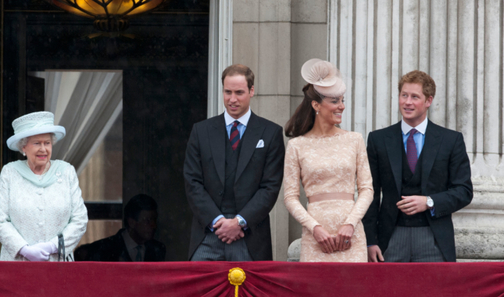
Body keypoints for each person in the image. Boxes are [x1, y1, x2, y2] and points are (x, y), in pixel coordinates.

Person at [362, 71, 472, 262]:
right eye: (404, 95)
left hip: (434, 238)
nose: (407, 102)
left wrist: (429, 202)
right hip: (390, 238)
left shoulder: (450, 140)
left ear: (428, 101)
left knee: (435, 292)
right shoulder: (378, 140)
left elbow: (464, 191)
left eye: (415, 97)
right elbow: (369, 192)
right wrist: (370, 241)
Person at [184, 64, 284, 261]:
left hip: (250, 236)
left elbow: (270, 187)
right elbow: (192, 182)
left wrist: (239, 222)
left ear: (252, 91)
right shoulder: (201, 131)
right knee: (202, 291)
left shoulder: (270, 133)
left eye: (239, 92)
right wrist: (218, 222)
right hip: (207, 234)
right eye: (227, 92)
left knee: (248, 292)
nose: (232, 99)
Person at [283, 59, 373, 262]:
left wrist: (351, 224)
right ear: (316, 104)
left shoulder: (354, 139)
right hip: (316, 237)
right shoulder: (297, 145)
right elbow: (290, 197)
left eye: (342, 100)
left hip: (352, 236)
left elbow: (367, 189)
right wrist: (314, 228)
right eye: (334, 101)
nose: (341, 106)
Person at [0, 111, 88, 261]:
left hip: (58, 264)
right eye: (37, 143)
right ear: (23, 147)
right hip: (18, 265)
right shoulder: (10, 173)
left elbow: (80, 219)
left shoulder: (66, 171)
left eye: (47, 143)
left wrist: (52, 246)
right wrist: (24, 249)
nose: (43, 149)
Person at [74, 194, 165, 262]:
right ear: (131, 222)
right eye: (147, 221)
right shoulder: (102, 250)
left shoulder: (157, 249)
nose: (153, 225)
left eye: (154, 220)